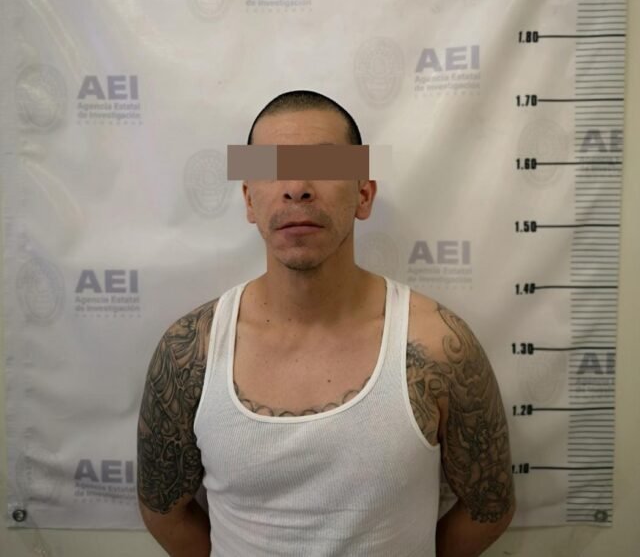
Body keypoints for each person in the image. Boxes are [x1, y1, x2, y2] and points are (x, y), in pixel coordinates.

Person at [137, 90, 516, 557]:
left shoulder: (439, 347)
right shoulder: (190, 351)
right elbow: (164, 512)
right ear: (249, 200)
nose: (296, 186)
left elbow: (489, 508)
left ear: (363, 194)